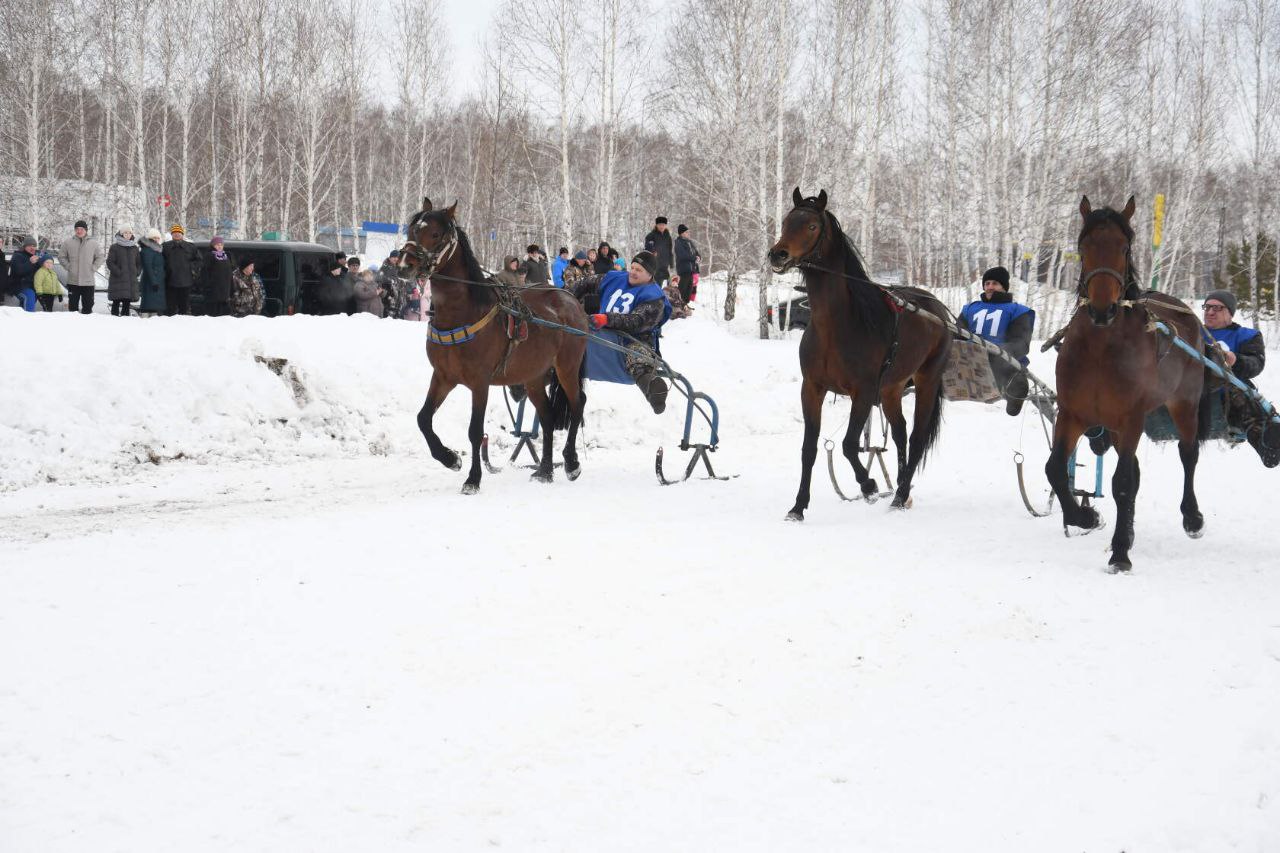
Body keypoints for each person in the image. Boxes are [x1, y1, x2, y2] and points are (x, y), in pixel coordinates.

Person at [571, 249, 673, 413]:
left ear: (650, 275)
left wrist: (607, 319)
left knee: (638, 357)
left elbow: (637, 321)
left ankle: (653, 389)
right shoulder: (614, 277)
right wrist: (567, 298)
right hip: (599, 332)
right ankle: (532, 375)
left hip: (634, 339)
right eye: (632, 267)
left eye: (639, 270)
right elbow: (586, 283)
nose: (633, 272)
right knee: (566, 341)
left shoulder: (655, 297)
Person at [958, 266, 1034, 415]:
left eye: (995, 283)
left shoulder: (1018, 311)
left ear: (1004, 287)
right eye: (987, 283)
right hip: (968, 362)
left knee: (1018, 383)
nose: (990, 287)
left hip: (1002, 366)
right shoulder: (969, 309)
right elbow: (956, 334)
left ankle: (1014, 397)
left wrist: (994, 351)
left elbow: (1022, 344)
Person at [59, 219, 104, 314]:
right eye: (77, 229)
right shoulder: (68, 242)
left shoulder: (93, 243)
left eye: (81, 229)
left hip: (88, 282)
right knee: (72, 308)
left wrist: (93, 268)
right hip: (73, 281)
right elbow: (61, 256)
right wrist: (69, 267)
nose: (79, 231)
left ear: (86, 230)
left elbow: (100, 257)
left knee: (88, 308)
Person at [162, 224, 199, 315]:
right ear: (172, 234)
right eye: (174, 233)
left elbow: (199, 260)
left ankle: (184, 325)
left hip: (186, 282)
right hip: (170, 282)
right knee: (170, 308)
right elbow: (160, 261)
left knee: (184, 307)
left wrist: (191, 269)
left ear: (182, 234)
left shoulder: (191, 247)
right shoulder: (165, 246)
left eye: (179, 232)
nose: (177, 234)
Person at [106, 226, 141, 317]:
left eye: (129, 233)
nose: (127, 235)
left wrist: (137, 272)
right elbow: (110, 262)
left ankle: (125, 326)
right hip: (118, 280)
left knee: (126, 304)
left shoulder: (135, 248)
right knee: (116, 303)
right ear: (121, 234)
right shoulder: (115, 247)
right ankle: (114, 324)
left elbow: (139, 263)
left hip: (130, 281)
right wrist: (118, 272)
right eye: (125, 233)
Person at [9, 238, 47, 312]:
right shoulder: (17, 256)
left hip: (33, 287)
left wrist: (44, 260)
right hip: (19, 286)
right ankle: (29, 320)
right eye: (29, 245)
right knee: (29, 296)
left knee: (29, 302)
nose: (32, 247)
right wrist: (30, 263)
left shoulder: (37, 257)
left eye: (34, 246)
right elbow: (19, 271)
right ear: (24, 246)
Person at [203, 236, 233, 317]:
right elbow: (205, 272)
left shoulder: (226, 256)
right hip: (214, 290)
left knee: (224, 315)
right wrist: (208, 286)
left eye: (221, 244)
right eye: (217, 244)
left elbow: (230, 272)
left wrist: (231, 287)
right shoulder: (209, 256)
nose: (219, 246)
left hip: (225, 290)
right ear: (213, 245)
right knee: (214, 313)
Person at [138, 228, 166, 315]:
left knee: (154, 307)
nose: (156, 239)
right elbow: (148, 267)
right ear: (150, 238)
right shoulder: (148, 250)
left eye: (158, 238)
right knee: (149, 306)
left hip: (158, 281)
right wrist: (154, 282)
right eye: (154, 238)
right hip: (150, 282)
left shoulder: (157, 250)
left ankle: (153, 323)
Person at [643, 216, 674, 286]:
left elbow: (670, 251)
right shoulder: (651, 235)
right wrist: (653, 251)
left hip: (665, 266)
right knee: (656, 286)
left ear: (666, 225)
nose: (661, 226)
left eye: (663, 225)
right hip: (655, 266)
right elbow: (647, 248)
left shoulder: (668, 237)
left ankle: (665, 297)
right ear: (656, 225)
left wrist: (671, 264)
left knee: (669, 286)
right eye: (660, 224)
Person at [674, 223, 700, 303]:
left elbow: (696, 252)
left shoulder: (690, 242)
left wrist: (698, 257)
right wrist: (694, 258)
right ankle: (680, 308)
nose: (688, 233)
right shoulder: (678, 242)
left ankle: (685, 306)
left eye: (688, 232)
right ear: (681, 233)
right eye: (686, 232)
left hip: (691, 270)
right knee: (682, 291)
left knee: (689, 290)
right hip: (683, 270)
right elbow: (683, 255)